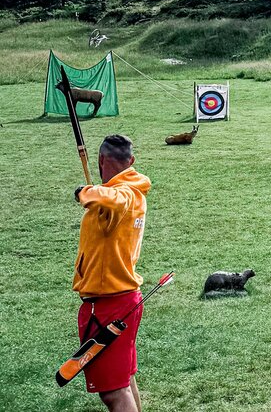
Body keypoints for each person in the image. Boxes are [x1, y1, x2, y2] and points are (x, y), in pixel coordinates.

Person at [72, 135, 151, 412]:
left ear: (101, 160)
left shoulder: (125, 194)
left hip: (111, 304)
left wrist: (86, 191)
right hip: (122, 300)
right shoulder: (132, 192)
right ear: (131, 161)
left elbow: (115, 200)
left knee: (113, 392)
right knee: (124, 381)